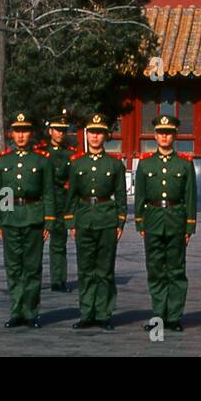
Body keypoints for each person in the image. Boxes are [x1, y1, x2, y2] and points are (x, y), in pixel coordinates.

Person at [133, 114, 196, 332]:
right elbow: (140, 195)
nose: (164, 137)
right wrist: (140, 223)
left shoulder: (184, 164)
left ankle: (175, 316)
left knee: (176, 270)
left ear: (175, 136)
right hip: (152, 220)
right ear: (155, 135)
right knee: (156, 269)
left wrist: (189, 226)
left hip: (176, 219)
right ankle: (159, 314)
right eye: (161, 133)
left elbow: (189, 197)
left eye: (168, 133)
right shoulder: (145, 163)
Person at [0, 113, 54, 328]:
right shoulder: (4, 161)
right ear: (11, 133)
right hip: (11, 219)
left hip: (34, 216)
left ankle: (31, 312)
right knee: (13, 267)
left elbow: (48, 193)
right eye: (17, 131)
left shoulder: (41, 161)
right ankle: (16, 310)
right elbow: (1, 192)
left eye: (24, 131)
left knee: (32, 267)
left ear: (31, 134)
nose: (20, 136)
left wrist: (48, 221)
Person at [68, 113, 127, 330]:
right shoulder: (77, 164)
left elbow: (120, 197)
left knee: (104, 269)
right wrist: (71, 223)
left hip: (106, 219)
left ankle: (103, 313)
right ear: (86, 134)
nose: (95, 137)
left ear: (105, 136)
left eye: (99, 133)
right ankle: (86, 312)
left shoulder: (114, 165)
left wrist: (119, 223)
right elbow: (71, 196)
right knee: (85, 269)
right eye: (92, 132)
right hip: (84, 219)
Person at [40, 109, 74, 292]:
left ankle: (58, 280)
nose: (60, 133)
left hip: (62, 203)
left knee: (59, 244)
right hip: (43, 203)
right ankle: (33, 279)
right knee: (36, 244)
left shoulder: (70, 155)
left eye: (63, 130)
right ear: (50, 131)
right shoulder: (41, 153)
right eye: (57, 129)